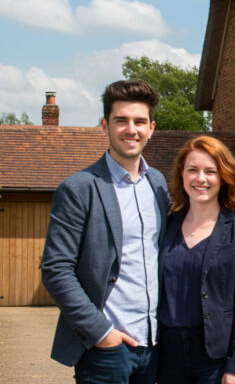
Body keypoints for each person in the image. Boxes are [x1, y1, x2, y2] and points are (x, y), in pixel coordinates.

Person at [41, 80, 169, 384]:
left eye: (139, 121)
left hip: (154, 345)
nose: (131, 130)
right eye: (121, 120)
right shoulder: (79, 188)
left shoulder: (158, 184)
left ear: (151, 128)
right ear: (104, 125)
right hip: (107, 349)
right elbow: (56, 268)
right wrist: (101, 332)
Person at [159, 136, 235, 384]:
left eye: (210, 171)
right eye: (192, 170)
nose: (201, 178)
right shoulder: (166, 226)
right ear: (182, 175)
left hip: (216, 359)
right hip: (167, 356)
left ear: (223, 177)